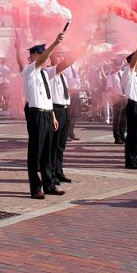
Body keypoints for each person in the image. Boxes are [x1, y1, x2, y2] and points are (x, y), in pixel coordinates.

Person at [16, 32, 66, 200]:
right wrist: (54, 43)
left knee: (47, 152)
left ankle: (49, 185)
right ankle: (35, 187)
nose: (46, 58)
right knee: (35, 152)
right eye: (42, 54)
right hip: (35, 114)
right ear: (33, 56)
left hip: (46, 114)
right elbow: (41, 60)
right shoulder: (29, 70)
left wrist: (52, 116)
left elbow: (48, 97)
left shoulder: (45, 73)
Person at [47, 48, 76, 184]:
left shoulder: (62, 75)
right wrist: (80, 49)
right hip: (56, 109)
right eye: (58, 56)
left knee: (61, 144)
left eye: (62, 56)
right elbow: (66, 63)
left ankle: (59, 171)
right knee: (54, 144)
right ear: (51, 58)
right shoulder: (51, 71)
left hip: (65, 109)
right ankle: (51, 172)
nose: (61, 58)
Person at [121, 39, 137, 169]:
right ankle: (129, 160)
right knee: (133, 134)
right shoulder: (128, 72)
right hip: (133, 106)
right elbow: (133, 63)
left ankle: (136, 157)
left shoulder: (136, 76)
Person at [106, 60, 127, 144]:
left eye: (119, 65)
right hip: (117, 98)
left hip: (125, 97)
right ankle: (117, 136)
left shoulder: (123, 73)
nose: (118, 67)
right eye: (116, 66)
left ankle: (122, 135)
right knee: (117, 119)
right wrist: (116, 96)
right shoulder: (111, 75)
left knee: (124, 119)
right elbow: (110, 88)